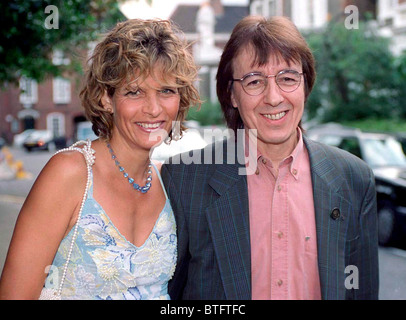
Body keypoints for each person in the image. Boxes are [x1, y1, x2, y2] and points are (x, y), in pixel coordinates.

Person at [162, 16, 379, 300]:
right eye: (254, 82)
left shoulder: (354, 179)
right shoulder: (185, 179)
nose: (274, 97)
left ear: (305, 86)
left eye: (288, 79)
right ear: (232, 95)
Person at [0, 18, 200, 300]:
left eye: (166, 91)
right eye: (135, 91)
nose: (154, 109)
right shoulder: (70, 174)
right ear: (107, 98)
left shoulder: (168, 182)